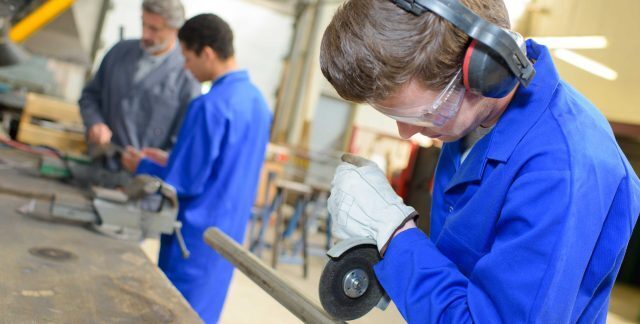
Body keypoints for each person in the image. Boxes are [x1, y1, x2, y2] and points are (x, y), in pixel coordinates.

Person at [320, 0, 640, 322]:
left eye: (423, 115)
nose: (406, 132)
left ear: (488, 68)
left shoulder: (562, 170)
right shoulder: (469, 121)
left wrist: (395, 235)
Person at [121, 14, 272, 323]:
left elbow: (183, 182)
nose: (186, 68)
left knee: (174, 312)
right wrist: (172, 157)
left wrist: (143, 164)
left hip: (191, 240)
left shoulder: (209, 105)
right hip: (226, 239)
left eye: (187, 59)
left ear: (207, 53)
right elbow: (224, 165)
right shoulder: (258, 104)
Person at [79, 0, 200, 167]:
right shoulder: (118, 53)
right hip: (99, 163)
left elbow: (183, 140)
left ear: (176, 30)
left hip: (142, 181)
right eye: (143, 24)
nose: (145, 35)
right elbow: (90, 96)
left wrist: (150, 165)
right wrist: (95, 122)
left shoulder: (188, 75)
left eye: (154, 29)